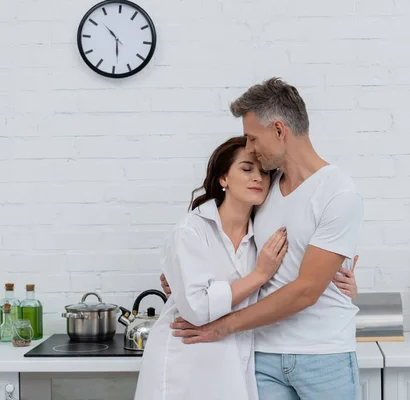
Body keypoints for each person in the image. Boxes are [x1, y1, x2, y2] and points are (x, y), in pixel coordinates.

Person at [166, 77, 364, 400]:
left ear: (279, 130)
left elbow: (305, 291)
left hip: (324, 356)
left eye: (253, 138)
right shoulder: (266, 190)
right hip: (263, 357)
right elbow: (231, 244)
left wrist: (223, 326)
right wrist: (182, 274)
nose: (251, 148)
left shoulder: (338, 194)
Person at [134, 136, 357, 400]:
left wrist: (343, 283)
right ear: (223, 179)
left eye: (263, 172)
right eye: (246, 169)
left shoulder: (261, 236)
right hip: (186, 357)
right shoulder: (191, 230)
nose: (258, 178)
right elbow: (197, 308)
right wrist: (259, 275)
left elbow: (294, 280)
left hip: (234, 364)